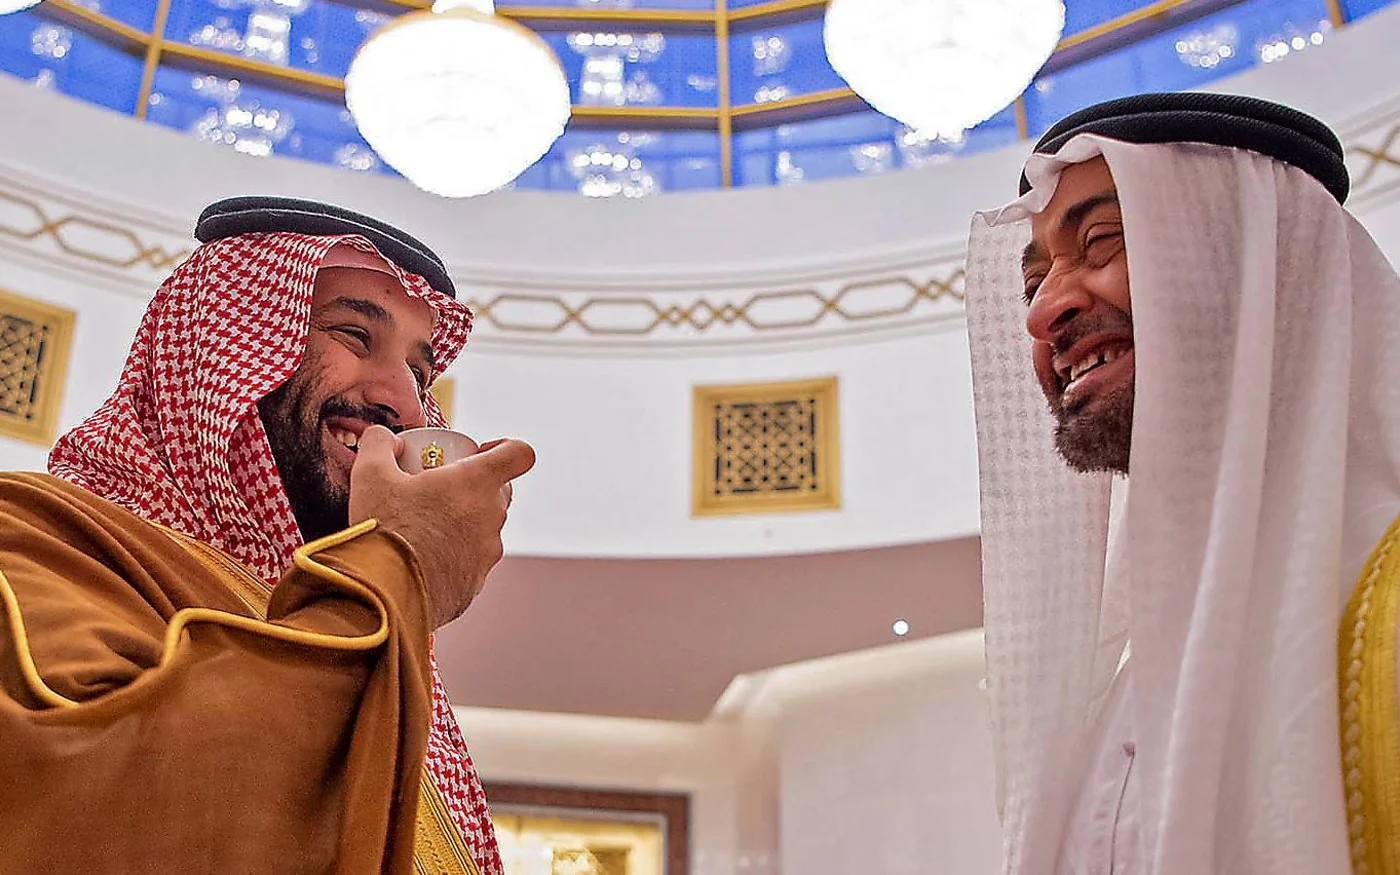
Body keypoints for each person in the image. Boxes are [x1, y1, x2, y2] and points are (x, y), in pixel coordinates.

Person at [0, 196, 535, 873]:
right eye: (353, 336)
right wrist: (397, 567)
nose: (405, 401)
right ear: (223, 350)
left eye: (421, 372)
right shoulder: (36, 543)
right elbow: (103, 816)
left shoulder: (361, 618)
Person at [964, 92, 1400, 874]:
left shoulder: (1386, 609)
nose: (1043, 314)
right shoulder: (1123, 687)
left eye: (1100, 243)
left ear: (1264, 260)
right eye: (1034, 283)